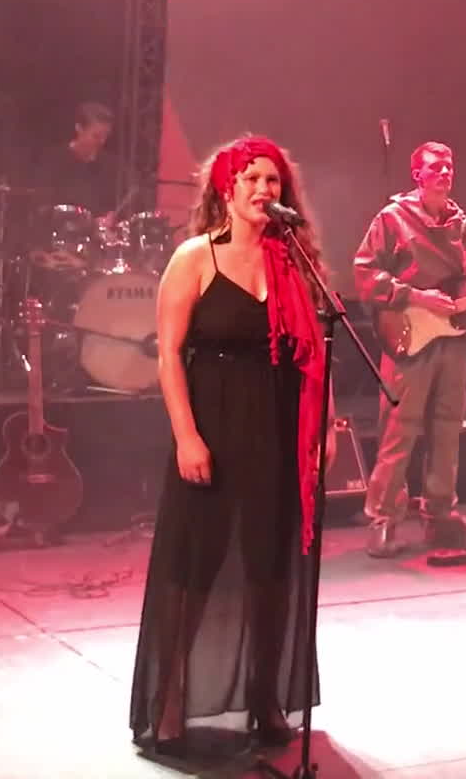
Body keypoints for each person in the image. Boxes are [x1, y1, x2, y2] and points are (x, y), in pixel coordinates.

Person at [129, 135, 325, 756]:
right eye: (252, 179)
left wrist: (322, 434)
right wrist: (186, 436)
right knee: (194, 566)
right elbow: (168, 355)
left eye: (273, 181)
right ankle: (169, 700)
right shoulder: (196, 257)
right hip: (212, 422)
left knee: (269, 566)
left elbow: (312, 358)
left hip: (276, 425)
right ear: (226, 187)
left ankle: (265, 697)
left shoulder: (292, 262)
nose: (264, 189)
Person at [352, 141, 466, 558]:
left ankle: (440, 513)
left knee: (447, 429)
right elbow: (365, 274)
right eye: (436, 167)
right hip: (409, 336)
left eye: (449, 166)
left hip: (452, 340)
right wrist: (418, 297)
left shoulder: (461, 225)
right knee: (399, 429)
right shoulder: (393, 219)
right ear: (417, 175)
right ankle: (384, 517)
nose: (445, 173)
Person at [33, 101, 119, 214]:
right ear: (79, 129)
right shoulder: (53, 160)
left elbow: (115, 204)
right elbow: (43, 205)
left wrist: (112, 215)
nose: (102, 141)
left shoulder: (111, 165)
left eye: (105, 136)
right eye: (96, 136)